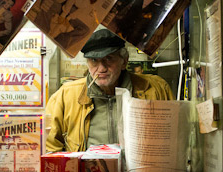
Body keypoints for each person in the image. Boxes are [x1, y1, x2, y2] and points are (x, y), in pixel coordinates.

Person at [45, 29, 174, 153]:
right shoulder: (65, 96)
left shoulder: (156, 89)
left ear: (124, 61)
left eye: (109, 58)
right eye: (94, 60)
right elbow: (50, 148)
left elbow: (174, 139)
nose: (101, 68)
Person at [35, 0, 104, 52]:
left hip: (73, 14)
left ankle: (60, 42)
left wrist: (68, 18)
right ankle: (42, 33)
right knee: (46, 1)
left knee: (86, 30)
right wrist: (63, 15)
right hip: (65, 7)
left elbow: (81, 10)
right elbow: (71, 0)